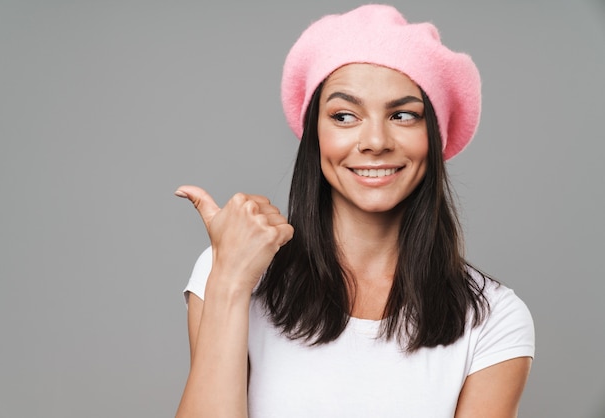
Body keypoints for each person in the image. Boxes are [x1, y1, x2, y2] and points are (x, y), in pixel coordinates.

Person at [174, 4, 535, 418]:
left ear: (433, 136)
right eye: (345, 116)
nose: (375, 141)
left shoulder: (492, 319)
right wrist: (230, 280)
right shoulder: (230, 271)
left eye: (403, 115)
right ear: (316, 135)